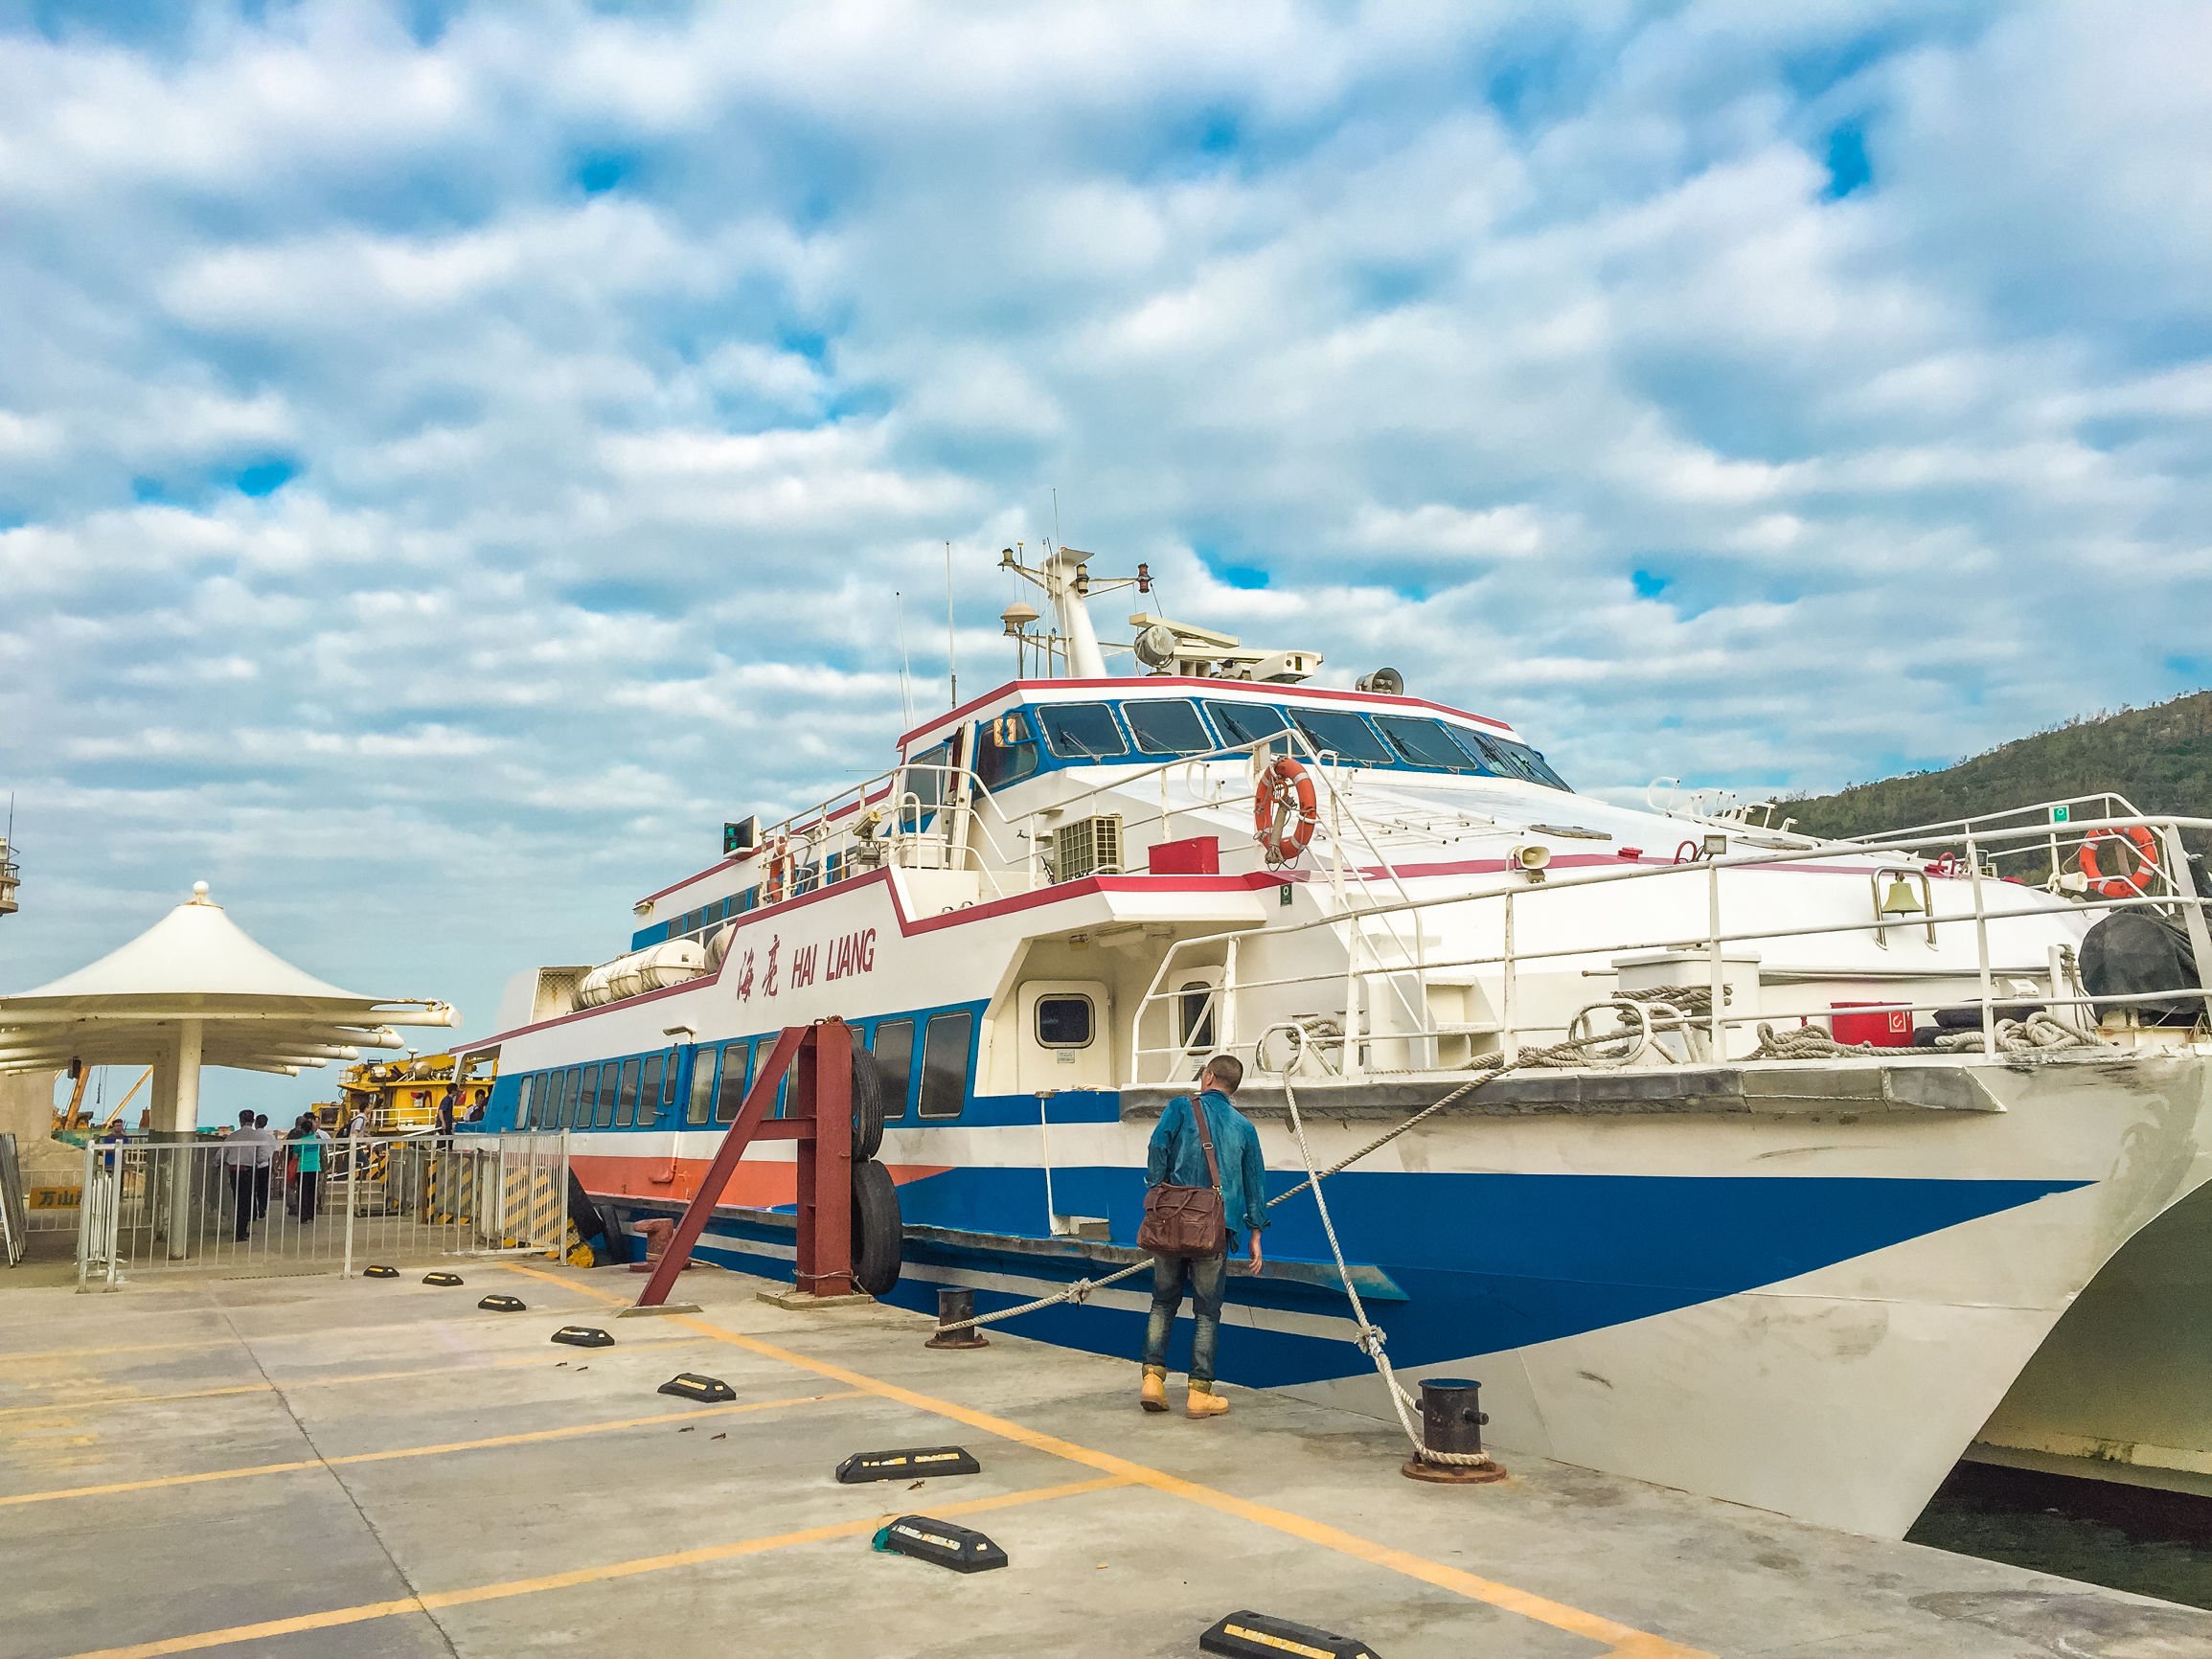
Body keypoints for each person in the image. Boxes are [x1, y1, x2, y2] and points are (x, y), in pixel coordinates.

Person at [1139, 1054, 1267, 1419]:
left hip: (1172, 1222)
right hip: (1215, 1229)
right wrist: (1255, 1233)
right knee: (1207, 1313)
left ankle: (1152, 1381)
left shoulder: (1180, 1107)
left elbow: (1157, 1146)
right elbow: (1255, 1184)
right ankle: (1199, 1394)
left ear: (1208, 1076)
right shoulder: (1245, 1128)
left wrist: (1158, 1188)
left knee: (1163, 1302)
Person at [221, 1110, 271, 1241]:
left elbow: (221, 1154)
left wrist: (216, 1164)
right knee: (246, 1200)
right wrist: (255, 1160)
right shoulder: (256, 1136)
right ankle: (241, 1231)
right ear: (253, 1121)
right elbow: (263, 1156)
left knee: (237, 1200)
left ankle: (240, 1230)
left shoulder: (232, 1136)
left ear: (240, 1121)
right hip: (248, 1170)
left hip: (233, 1170)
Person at [290, 1116, 331, 1225]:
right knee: (312, 1192)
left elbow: (295, 1157)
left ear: (302, 1130)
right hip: (315, 1168)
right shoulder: (317, 1141)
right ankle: (311, 1214)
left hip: (303, 1168)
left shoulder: (299, 1142)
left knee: (303, 1193)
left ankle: (303, 1216)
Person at [252, 1113, 274, 1217]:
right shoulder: (270, 1137)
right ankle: (262, 1208)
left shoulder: (252, 1135)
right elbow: (274, 1152)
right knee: (263, 1189)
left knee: (252, 1189)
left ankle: (253, 1211)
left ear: (256, 1122)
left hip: (252, 1165)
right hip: (265, 1165)